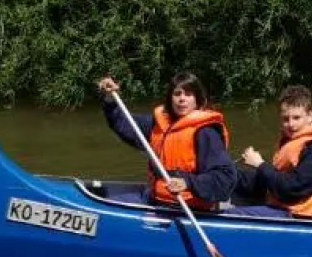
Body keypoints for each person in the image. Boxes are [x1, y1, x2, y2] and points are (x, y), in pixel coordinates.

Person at [96, 73, 237, 210]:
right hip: (154, 199)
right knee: (105, 204)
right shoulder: (158, 124)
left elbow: (225, 178)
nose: (182, 99)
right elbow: (123, 123)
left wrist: (187, 182)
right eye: (177, 94)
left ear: (197, 100)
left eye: (188, 94)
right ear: (170, 98)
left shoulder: (205, 133)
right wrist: (110, 98)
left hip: (186, 208)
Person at [234, 85, 312, 218]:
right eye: (286, 119)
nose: (291, 124)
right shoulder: (292, 143)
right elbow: (274, 180)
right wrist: (229, 172)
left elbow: (291, 188)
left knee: (231, 215)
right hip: (287, 206)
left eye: (297, 118)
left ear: (310, 116)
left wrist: (260, 164)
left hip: (306, 215)